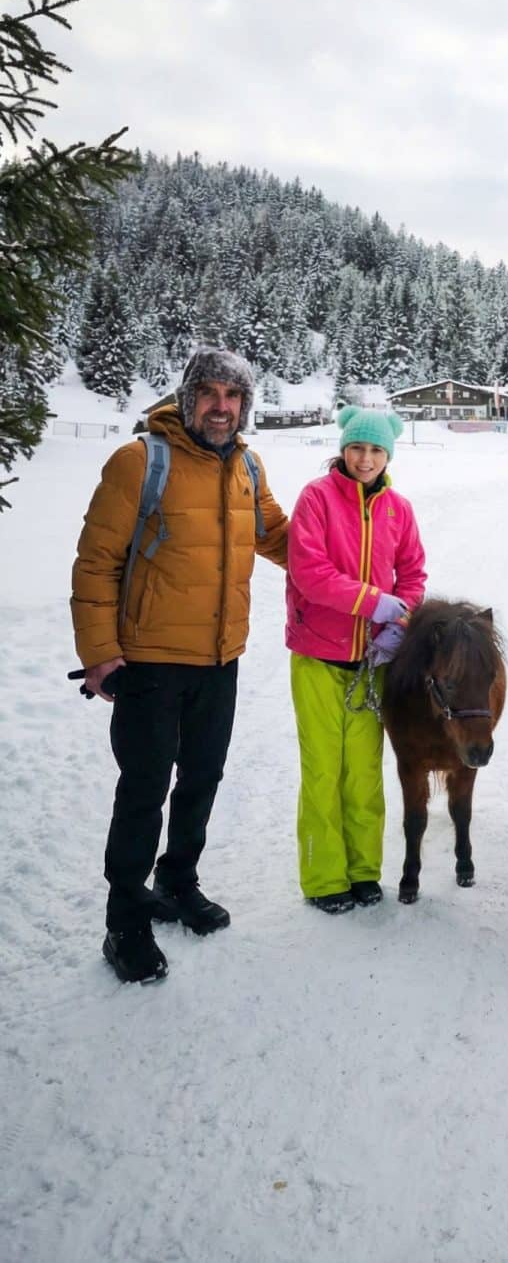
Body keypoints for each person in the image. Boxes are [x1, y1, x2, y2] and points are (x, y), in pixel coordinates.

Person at [71, 347, 289, 984]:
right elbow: (95, 563)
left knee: (201, 777)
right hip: (150, 662)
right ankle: (125, 920)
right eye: (210, 393)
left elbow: (276, 535)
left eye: (233, 396)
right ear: (187, 396)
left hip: (220, 659)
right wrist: (99, 654)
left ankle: (176, 880)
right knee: (143, 790)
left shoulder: (248, 464)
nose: (221, 407)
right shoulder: (139, 461)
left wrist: (350, 557)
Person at [286, 406, 427, 913]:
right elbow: (311, 573)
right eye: (357, 447)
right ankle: (324, 878)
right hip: (318, 657)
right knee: (324, 769)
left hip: (372, 664)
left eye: (375, 450)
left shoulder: (399, 510)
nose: (365, 459)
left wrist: (399, 621)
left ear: (387, 454)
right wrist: (375, 602)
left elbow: (412, 574)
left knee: (364, 772)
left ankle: (363, 871)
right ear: (343, 448)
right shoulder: (316, 499)